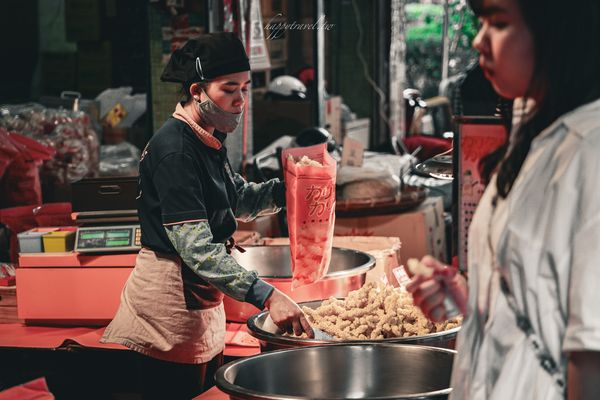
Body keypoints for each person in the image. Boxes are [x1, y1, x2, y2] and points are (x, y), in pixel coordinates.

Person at [101, 32, 313, 399]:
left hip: (199, 302)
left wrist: (293, 188)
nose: (239, 101)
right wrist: (267, 295)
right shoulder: (176, 151)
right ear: (197, 90)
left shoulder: (207, 137)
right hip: (166, 311)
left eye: (245, 89)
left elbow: (238, 200)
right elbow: (197, 249)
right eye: (229, 89)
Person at [407, 0, 600, 398]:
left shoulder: (590, 151)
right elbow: (538, 302)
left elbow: (591, 356)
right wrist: (466, 297)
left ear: (555, 32)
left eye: (498, 22)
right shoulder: (534, 133)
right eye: (480, 22)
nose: (479, 40)